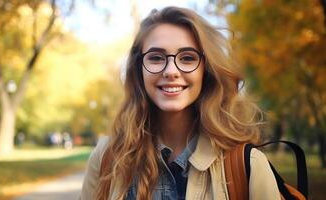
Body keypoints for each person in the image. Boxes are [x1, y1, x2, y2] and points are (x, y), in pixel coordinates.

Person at [80, 6, 280, 200]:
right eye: (156, 58)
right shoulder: (107, 157)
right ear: (139, 70)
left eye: (187, 58)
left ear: (206, 70)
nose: (171, 71)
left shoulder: (248, 165)